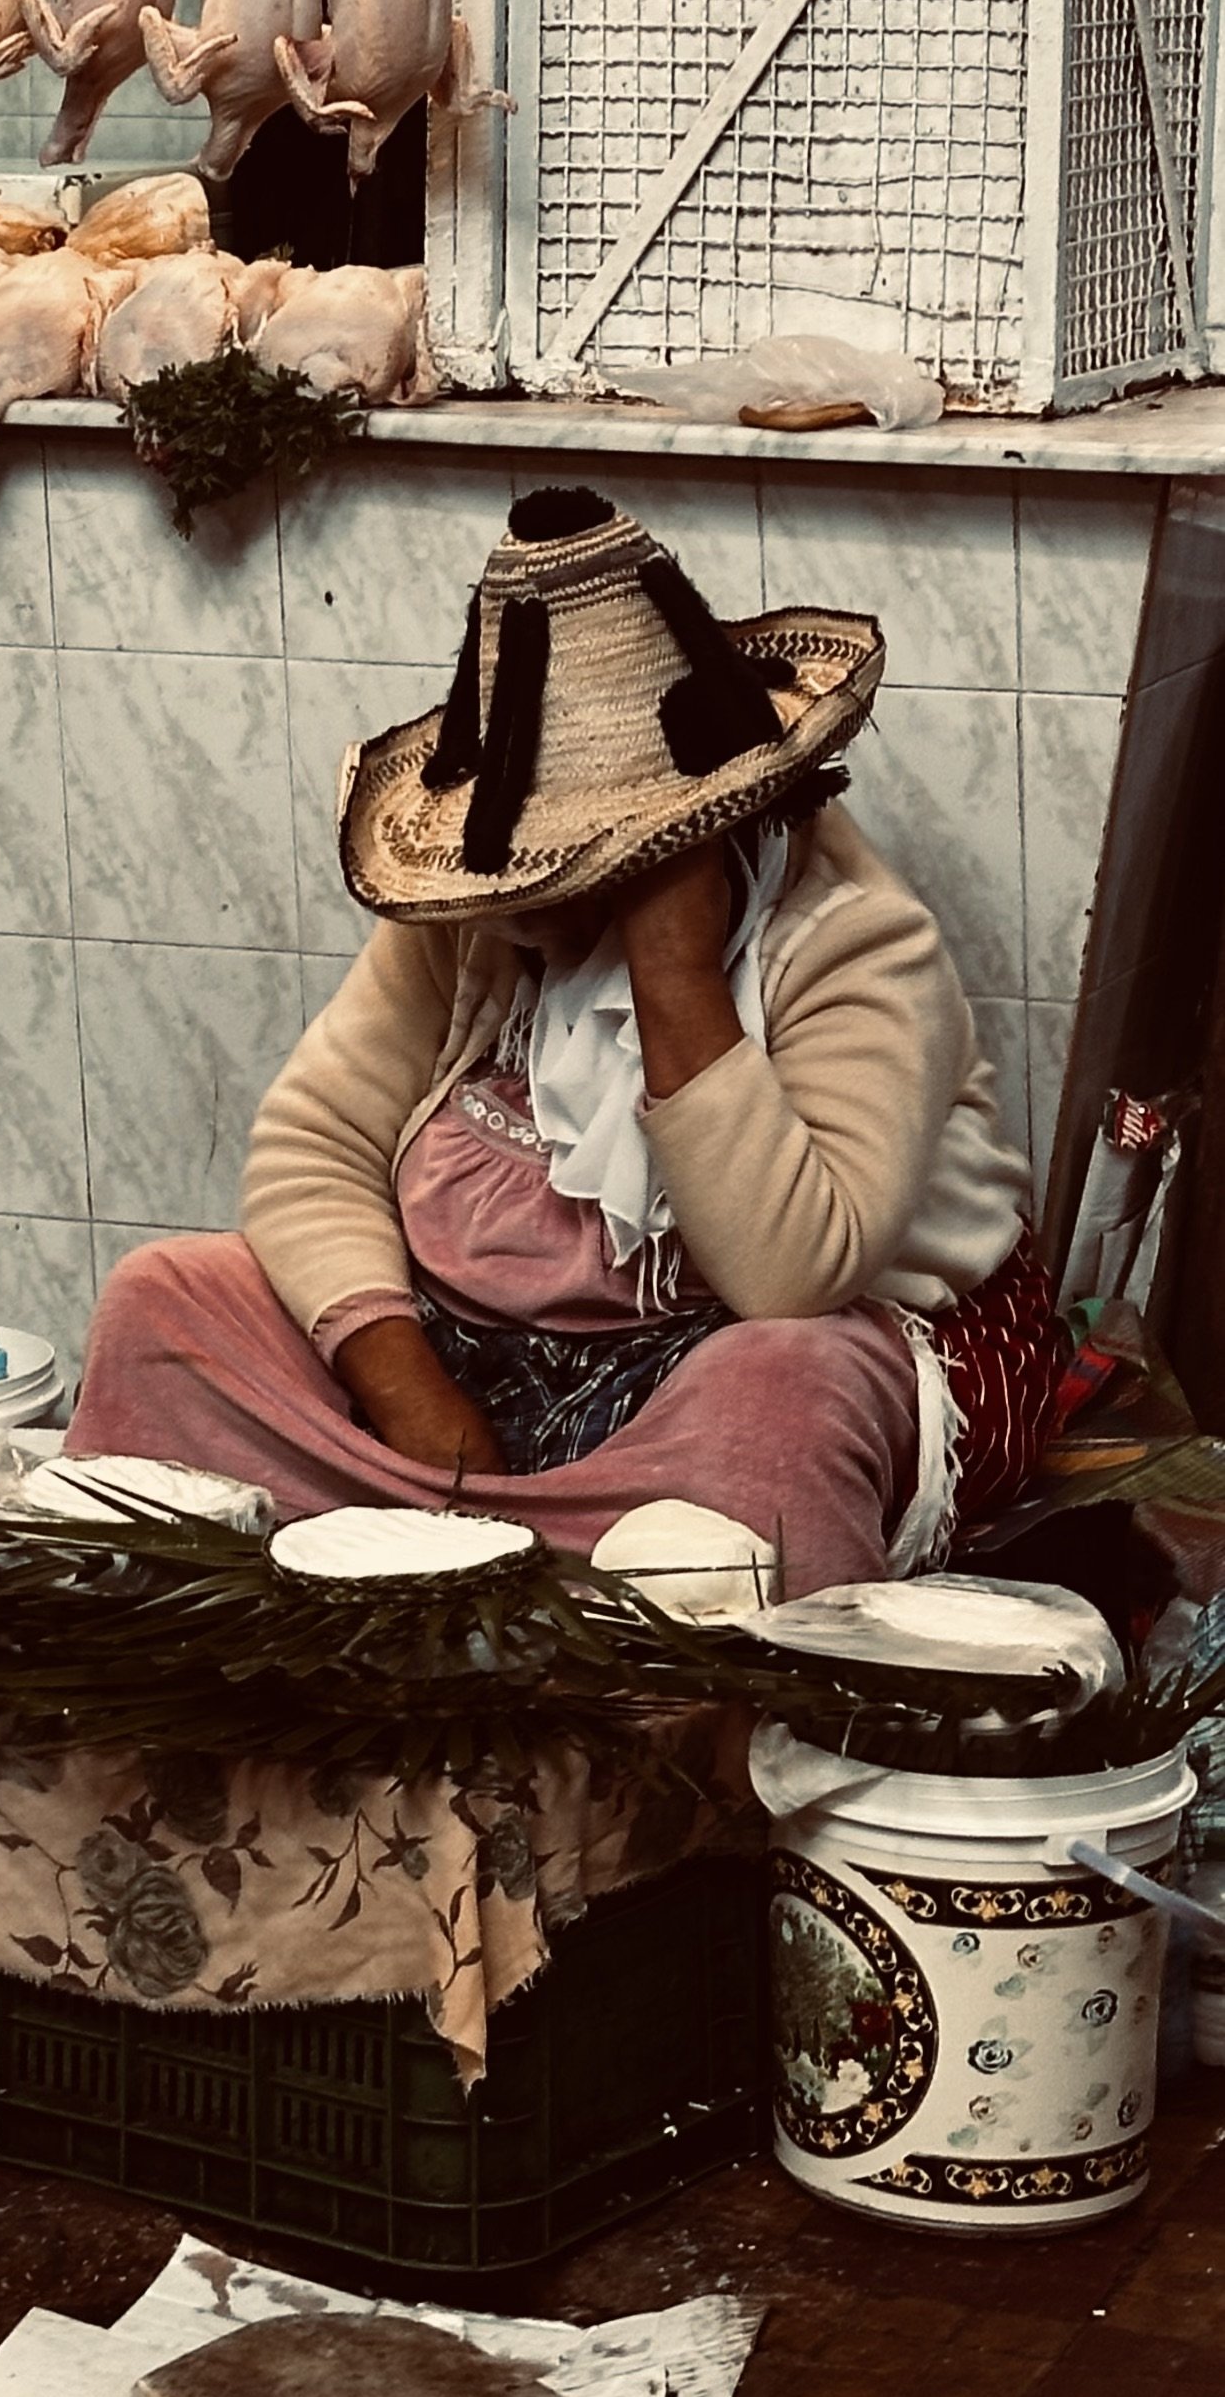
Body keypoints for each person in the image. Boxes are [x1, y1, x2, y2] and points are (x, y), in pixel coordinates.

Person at [68, 486, 1060, 1593]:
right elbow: (315, 1146)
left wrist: (675, 973)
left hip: (708, 1405)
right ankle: (469, 1558)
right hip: (465, 1396)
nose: (515, 906)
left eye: (569, 867)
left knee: (790, 1393)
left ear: (680, 844)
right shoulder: (484, 914)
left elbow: (792, 1275)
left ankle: (626, 1606)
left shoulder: (855, 944)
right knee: (166, 1298)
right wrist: (403, 1383)